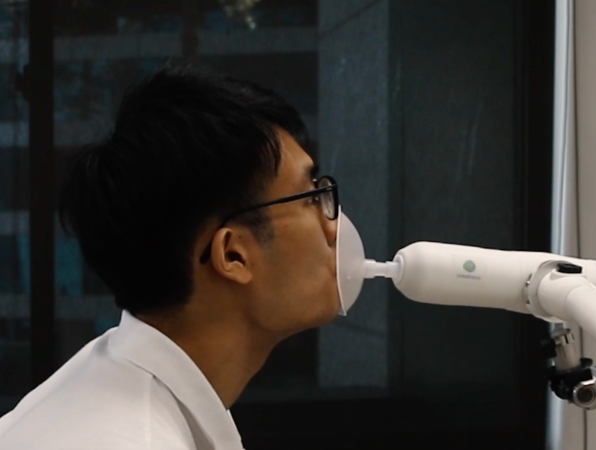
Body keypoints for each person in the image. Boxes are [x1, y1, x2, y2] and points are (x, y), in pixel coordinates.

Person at [0, 64, 342, 450]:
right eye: (311, 196)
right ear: (232, 254)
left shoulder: (112, 381)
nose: (334, 228)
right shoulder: (134, 440)